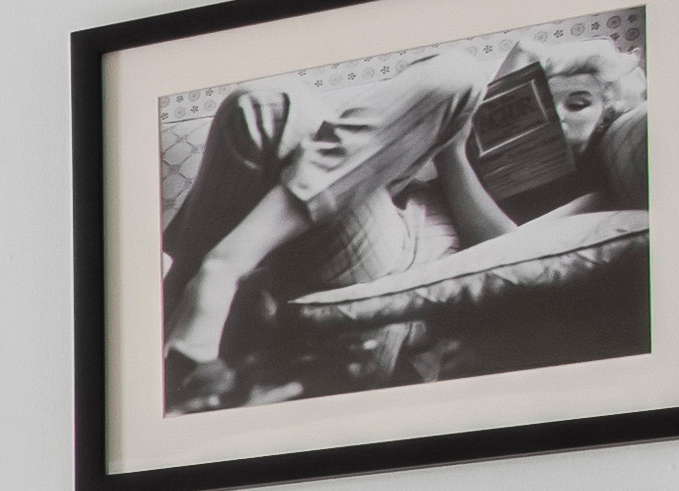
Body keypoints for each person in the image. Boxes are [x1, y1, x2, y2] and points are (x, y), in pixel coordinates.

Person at [154, 22, 651, 404]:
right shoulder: (481, 148)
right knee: (264, 103)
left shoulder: (592, 195)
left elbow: (506, 251)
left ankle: (211, 274)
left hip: (404, 267)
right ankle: (188, 312)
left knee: (459, 74)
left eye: (579, 104)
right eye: (550, 101)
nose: (558, 115)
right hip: (361, 220)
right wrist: (517, 72)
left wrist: (453, 158)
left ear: (608, 118)